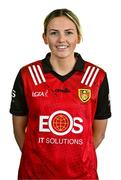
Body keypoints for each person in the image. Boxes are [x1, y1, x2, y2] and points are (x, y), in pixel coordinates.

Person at [10, 8, 111, 180]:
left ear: (78, 37)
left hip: (82, 175)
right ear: (45, 38)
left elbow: (99, 133)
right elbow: (19, 128)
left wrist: (77, 158)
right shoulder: (28, 75)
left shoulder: (96, 76)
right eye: (54, 33)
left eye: (69, 33)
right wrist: (37, 160)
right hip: (34, 175)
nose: (61, 39)